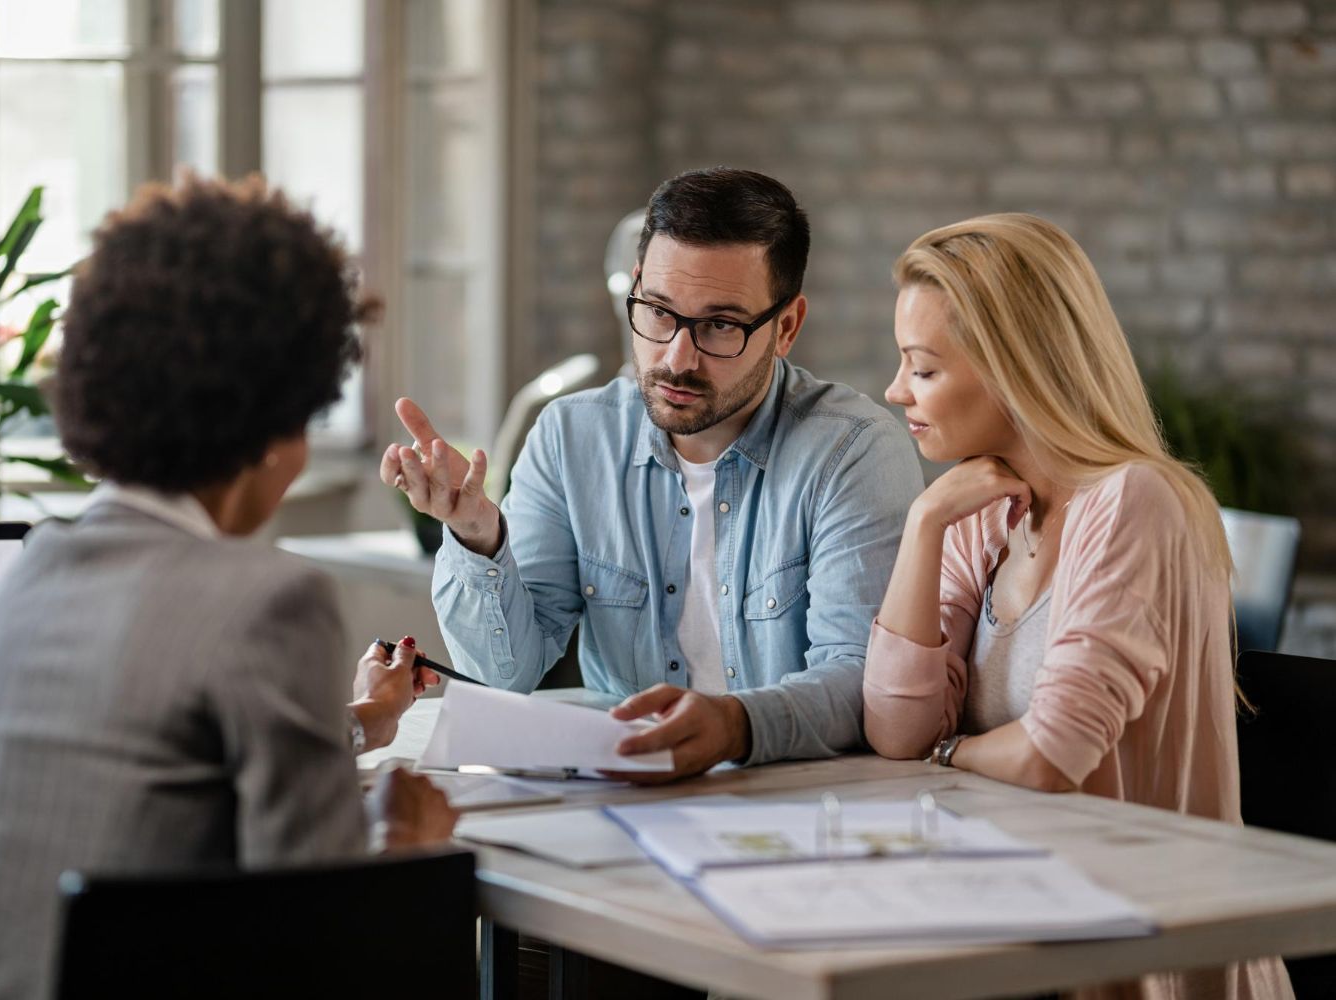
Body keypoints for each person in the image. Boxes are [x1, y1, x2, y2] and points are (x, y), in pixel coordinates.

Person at [0, 176, 458, 999]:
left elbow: (163, 768)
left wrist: (366, 721)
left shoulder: (32, 572)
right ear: (275, 429)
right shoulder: (267, 599)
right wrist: (412, 852)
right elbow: (329, 944)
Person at [863, 212, 1292, 999]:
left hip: (1140, 963)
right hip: (1024, 935)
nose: (895, 391)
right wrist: (925, 528)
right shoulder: (980, 510)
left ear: (1013, 370)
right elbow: (896, 731)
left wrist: (950, 756)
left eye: (921, 369)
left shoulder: (1135, 501)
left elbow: (1047, 758)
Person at [382, 167, 923, 781]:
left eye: (721, 325)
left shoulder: (853, 451)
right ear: (635, 289)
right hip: (625, 793)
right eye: (659, 313)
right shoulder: (571, 439)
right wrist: (478, 532)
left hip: (793, 799)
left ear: (787, 328)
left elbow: (862, 680)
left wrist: (733, 726)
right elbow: (506, 674)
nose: (677, 358)